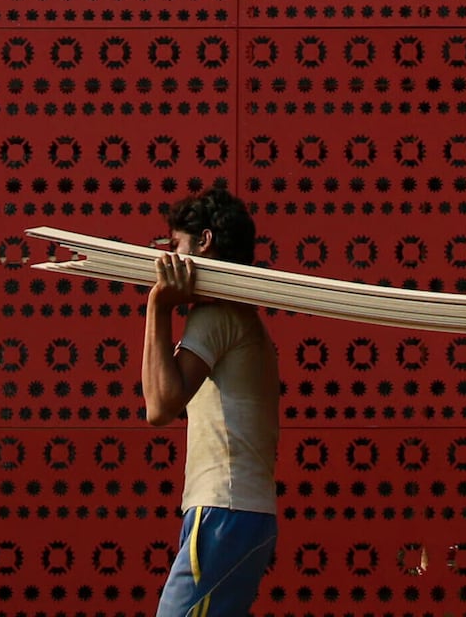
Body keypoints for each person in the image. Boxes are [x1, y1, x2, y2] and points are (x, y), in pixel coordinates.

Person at [140, 184, 279, 617]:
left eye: (176, 246)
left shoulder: (217, 315)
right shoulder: (240, 318)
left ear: (205, 242)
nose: (167, 260)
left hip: (224, 511)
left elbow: (160, 407)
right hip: (235, 513)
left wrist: (158, 306)